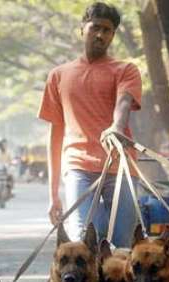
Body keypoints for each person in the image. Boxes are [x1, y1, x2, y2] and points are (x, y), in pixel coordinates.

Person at [38, 2, 142, 248]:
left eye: (107, 30)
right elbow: (55, 135)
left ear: (113, 35)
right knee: (86, 240)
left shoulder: (126, 70)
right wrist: (53, 195)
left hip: (121, 166)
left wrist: (117, 126)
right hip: (78, 168)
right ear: (82, 29)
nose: (100, 34)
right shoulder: (58, 75)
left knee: (122, 246)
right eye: (95, 27)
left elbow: (124, 101)